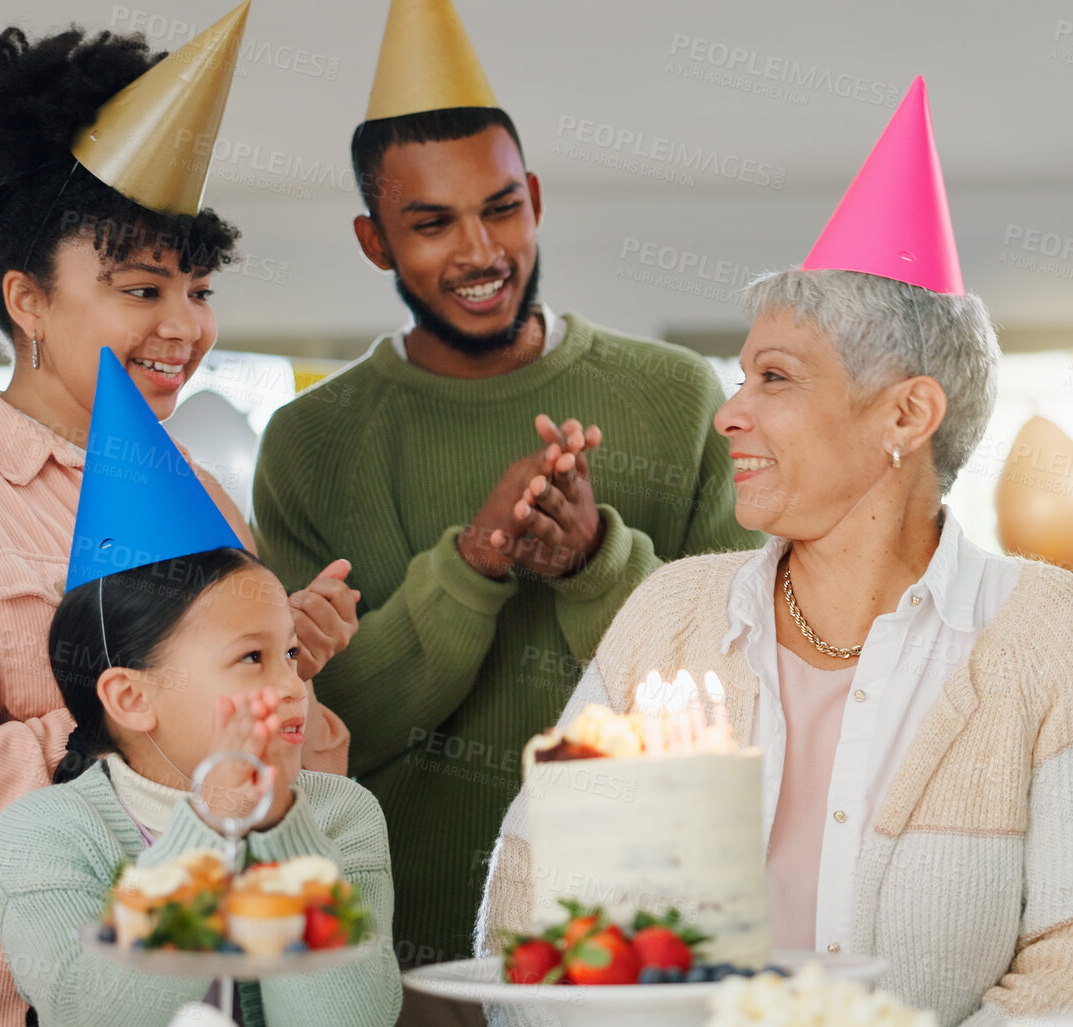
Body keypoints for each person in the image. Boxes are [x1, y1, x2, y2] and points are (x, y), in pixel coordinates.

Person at [481, 79, 1073, 1027]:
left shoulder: (1042, 630)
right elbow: (529, 917)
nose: (729, 412)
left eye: (775, 377)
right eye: (738, 375)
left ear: (906, 413)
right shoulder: (671, 615)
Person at [0, 13, 356, 1024]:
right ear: (27, 299)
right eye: (141, 288)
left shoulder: (201, 492)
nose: (186, 326)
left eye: (196, 287)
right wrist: (173, 707)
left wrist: (284, 673)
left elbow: (263, 794)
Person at [251, 0, 756, 977]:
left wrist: (594, 562)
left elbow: (733, 693)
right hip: (392, 959)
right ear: (372, 240)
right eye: (431, 224)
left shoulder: (679, 397)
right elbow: (324, 734)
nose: (479, 252)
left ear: (537, 196)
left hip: (644, 950)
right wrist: (474, 564)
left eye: (501, 208)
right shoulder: (310, 442)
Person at [0, 351, 399, 1027]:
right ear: (129, 697)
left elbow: (348, 1021)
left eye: (289, 654)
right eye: (251, 658)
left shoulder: (341, 815)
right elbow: (93, 1015)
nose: (291, 686)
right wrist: (210, 824)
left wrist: (278, 826)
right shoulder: (47, 832)